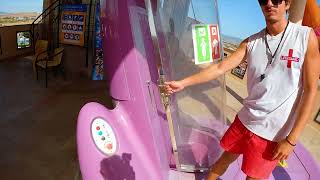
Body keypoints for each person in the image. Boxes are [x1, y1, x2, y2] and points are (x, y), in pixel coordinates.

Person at [164, 0, 320, 179]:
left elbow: (310, 91)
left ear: (287, 4)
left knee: (253, 177)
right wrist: (183, 83)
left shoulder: (305, 37)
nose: (269, 3)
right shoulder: (251, 42)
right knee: (223, 161)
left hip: (273, 133)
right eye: (263, 0)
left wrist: (292, 140)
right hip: (245, 121)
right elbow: (220, 68)